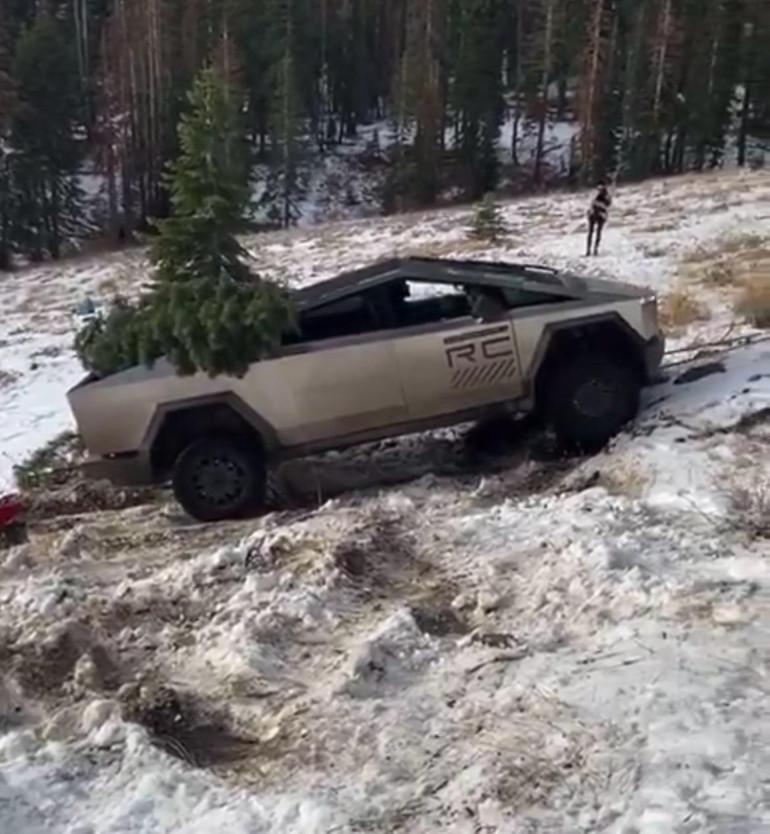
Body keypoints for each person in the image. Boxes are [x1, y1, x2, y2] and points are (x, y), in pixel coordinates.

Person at [586, 183, 612, 256]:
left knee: (597, 232)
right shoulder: (594, 195)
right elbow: (592, 205)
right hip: (594, 214)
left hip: (600, 215)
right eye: (599, 189)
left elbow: (608, 205)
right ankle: (588, 250)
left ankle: (595, 250)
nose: (599, 191)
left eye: (601, 189)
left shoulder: (607, 197)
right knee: (591, 232)